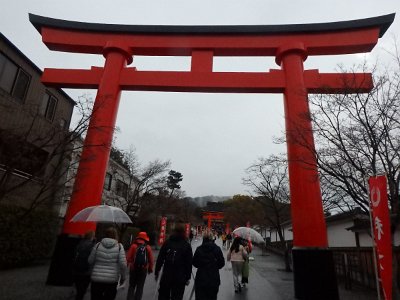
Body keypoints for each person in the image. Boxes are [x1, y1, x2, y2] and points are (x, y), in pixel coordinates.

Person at [155, 224, 193, 300]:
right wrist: (187, 277)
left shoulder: (167, 243)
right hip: (180, 277)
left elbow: (160, 258)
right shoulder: (186, 245)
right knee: (177, 297)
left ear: (174, 231)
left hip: (167, 275)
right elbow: (189, 263)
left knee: (163, 296)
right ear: (184, 232)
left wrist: (157, 271)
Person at [88, 227, 127, 300]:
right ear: (115, 235)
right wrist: (123, 278)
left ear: (105, 234)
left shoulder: (98, 245)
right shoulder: (119, 247)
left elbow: (90, 260)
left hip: (97, 279)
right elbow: (123, 265)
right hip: (112, 280)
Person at [192, 231, 225, 300]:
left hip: (201, 278)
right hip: (213, 278)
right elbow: (222, 263)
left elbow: (194, 263)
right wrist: (215, 266)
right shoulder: (217, 249)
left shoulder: (199, 249)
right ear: (212, 238)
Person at [126, 231, 154, 300]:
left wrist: (126, 266)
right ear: (145, 239)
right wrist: (150, 269)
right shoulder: (148, 248)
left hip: (133, 269)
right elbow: (151, 260)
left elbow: (128, 258)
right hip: (143, 270)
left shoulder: (133, 246)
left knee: (132, 286)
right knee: (140, 287)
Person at [73, 230, 96, 300]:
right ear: (92, 237)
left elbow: (75, 255)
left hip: (77, 269)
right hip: (87, 271)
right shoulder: (93, 246)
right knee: (83, 290)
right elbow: (93, 259)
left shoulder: (79, 244)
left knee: (79, 288)